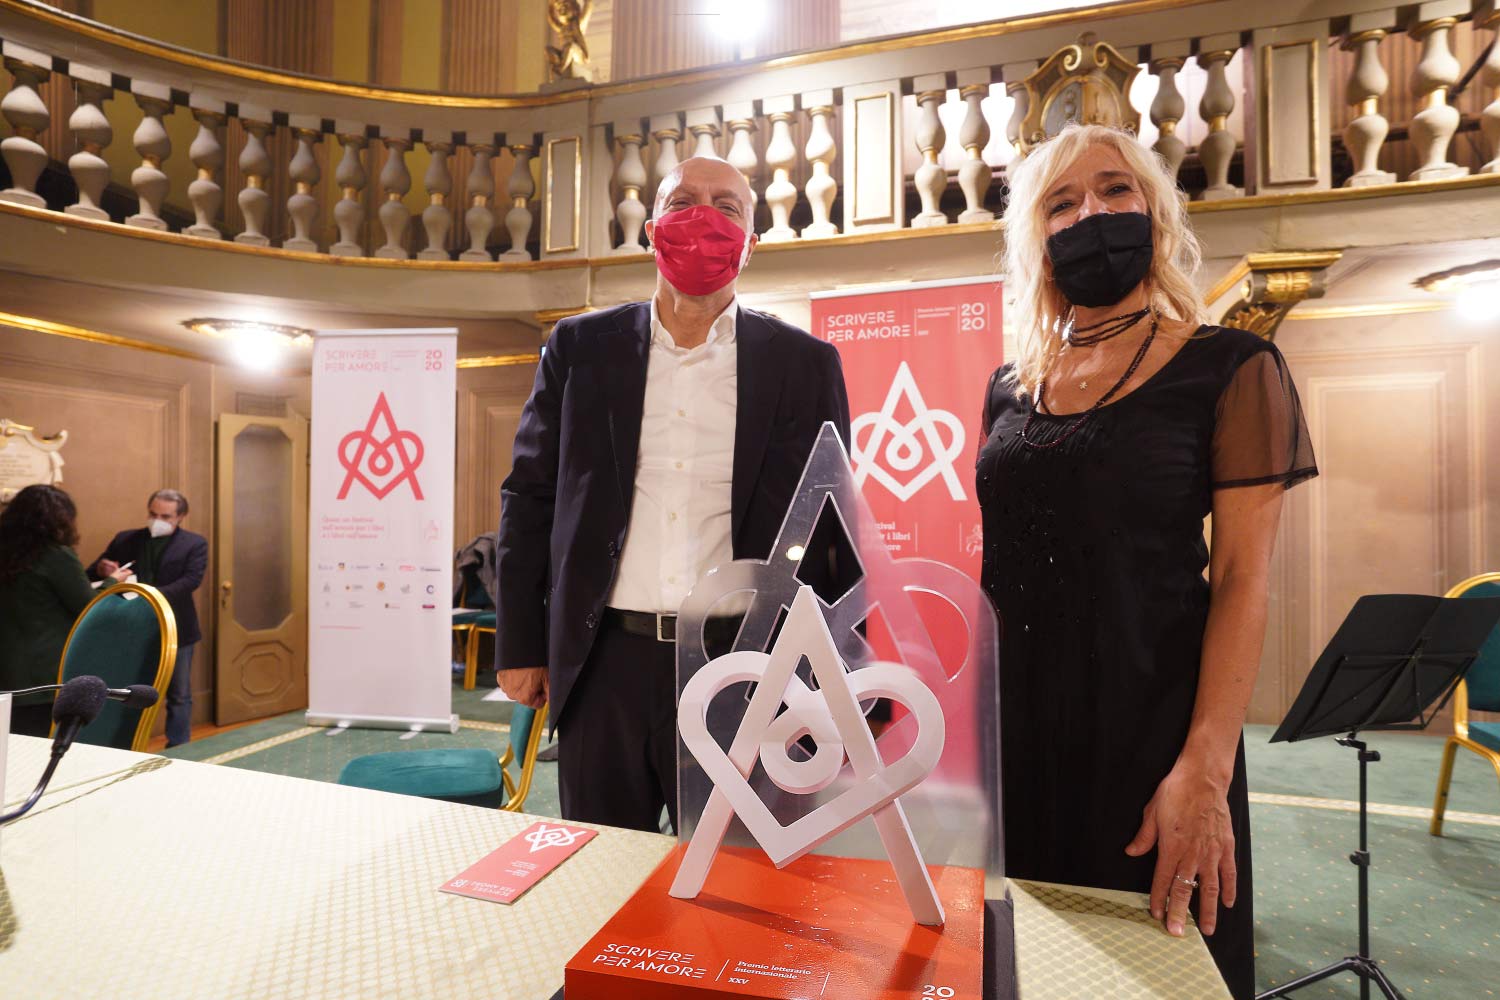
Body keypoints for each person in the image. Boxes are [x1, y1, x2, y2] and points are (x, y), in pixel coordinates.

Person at [976, 123, 1317, 999]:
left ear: (1156, 212)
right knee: (1022, 969)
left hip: (1152, 734)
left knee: (1153, 972)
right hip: (1017, 736)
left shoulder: (1232, 368)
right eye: (1062, 202)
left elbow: (1241, 581)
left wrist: (1206, 771)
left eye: (1115, 189)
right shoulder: (1009, 386)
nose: (1091, 213)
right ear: (1038, 239)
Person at [495, 155, 851, 833]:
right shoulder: (579, 348)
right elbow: (530, 497)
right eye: (683, 202)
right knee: (603, 867)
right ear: (651, 229)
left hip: (745, 664)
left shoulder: (805, 365)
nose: (702, 218)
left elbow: (834, 530)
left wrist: (835, 678)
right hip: (605, 663)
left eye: (726, 207)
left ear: (750, 243)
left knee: (736, 870)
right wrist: (520, 643)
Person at [0, 484, 121, 736]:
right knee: (37, 744)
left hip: (7, 668)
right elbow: (88, 607)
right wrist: (113, 582)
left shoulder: (7, 552)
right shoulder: (55, 555)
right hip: (40, 672)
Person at [90, 489, 207, 748]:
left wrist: (149, 597)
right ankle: (127, 744)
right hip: (130, 628)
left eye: (165, 516)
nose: (157, 521)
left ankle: (179, 747)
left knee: (179, 694)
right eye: (153, 514)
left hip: (176, 627)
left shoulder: (194, 544)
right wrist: (102, 568)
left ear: (181, 516)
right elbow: (92, 574)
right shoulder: (126, 539)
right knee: (129, 690)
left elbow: (190, 581)